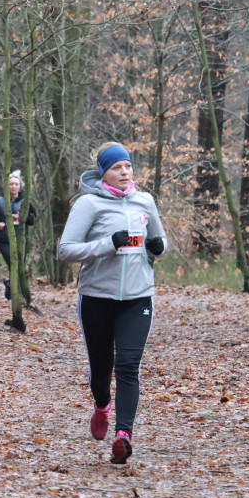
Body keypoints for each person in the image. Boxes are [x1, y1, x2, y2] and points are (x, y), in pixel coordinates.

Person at [58, 142, 167, 464]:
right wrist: (107, 244)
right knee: (102, 372)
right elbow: (66, 250)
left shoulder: (145, 201)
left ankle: (123, 435)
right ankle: (102, 406)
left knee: (129, 367)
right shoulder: (89, 204)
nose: (124, 172)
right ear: (103, 172)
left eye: (128, 166)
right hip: (97, 298)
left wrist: (160, 246)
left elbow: (157, 244)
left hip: (137, 297)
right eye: (117, 167)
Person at [0, 170, 36, 300]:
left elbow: (32, 220)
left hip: (21, 239)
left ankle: (11, 287)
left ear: (20, 186)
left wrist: (23, 217)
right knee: (13, 264)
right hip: (4, 239)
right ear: (7, 186)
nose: (13, 187)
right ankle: (12, 290)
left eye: (16, 184)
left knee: (20, 266)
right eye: (11, 184)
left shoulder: (25, 201)